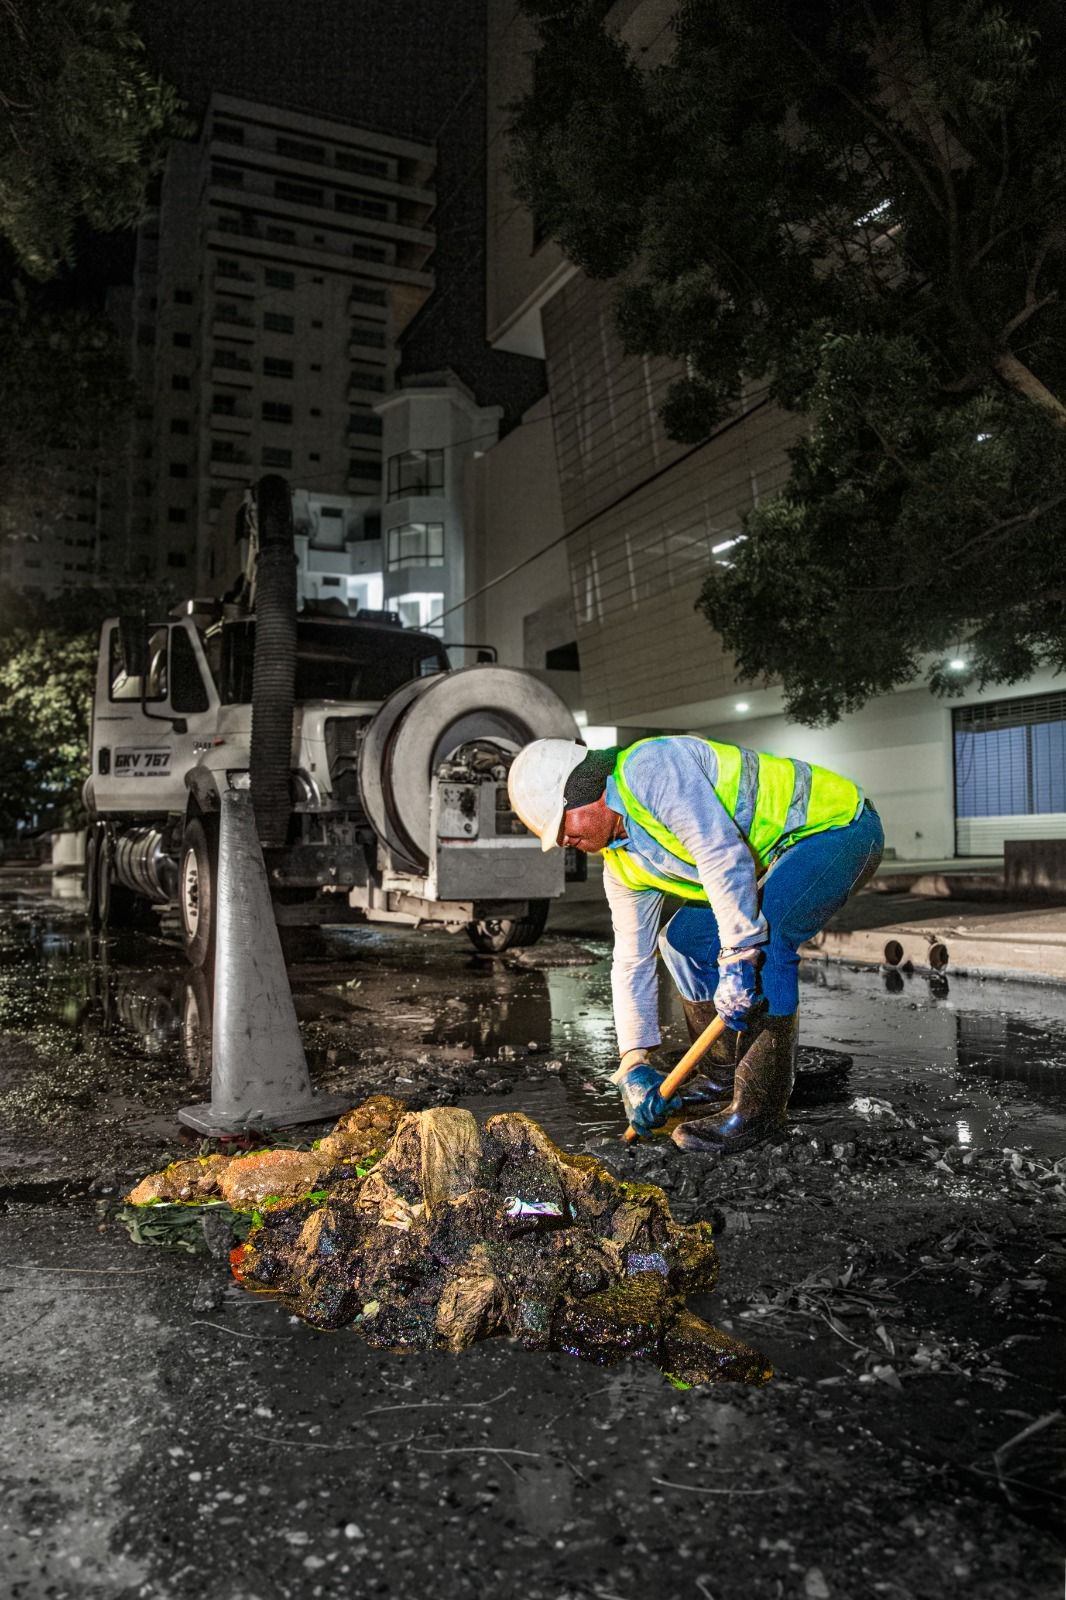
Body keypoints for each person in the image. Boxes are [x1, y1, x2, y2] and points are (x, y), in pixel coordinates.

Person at [507, 734, 883, 1151]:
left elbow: (719, 852)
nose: (562, 842)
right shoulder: (621, 866)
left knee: (769, 941)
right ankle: (720, 1077)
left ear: (585, 795)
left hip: (836, 828)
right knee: (683, 940)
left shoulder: (650, 767)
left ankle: (758, 1115)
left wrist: (738, 956)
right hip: (773, 853)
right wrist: (633, 1062)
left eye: (562, 828)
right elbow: (631, 960)